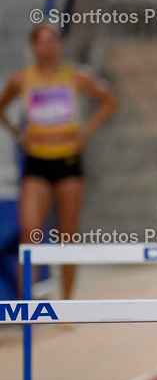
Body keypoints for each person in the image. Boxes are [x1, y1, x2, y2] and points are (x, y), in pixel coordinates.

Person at [0, 24, 118, 299]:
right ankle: (25, 303)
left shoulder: (75, 77)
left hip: (68, 161)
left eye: (51, 41)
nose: (47, 48)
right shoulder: (22, 80)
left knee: (68, 236)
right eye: (41, 42)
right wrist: (19, 134)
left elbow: (109, 101)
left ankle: (67, 303)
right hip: (37, 162)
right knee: (30, 232)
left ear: (59, 46)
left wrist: (85, 131)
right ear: (33, 47)